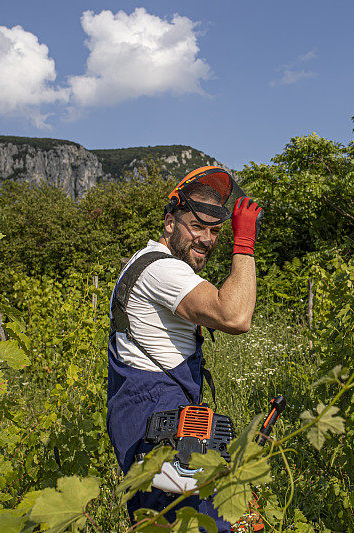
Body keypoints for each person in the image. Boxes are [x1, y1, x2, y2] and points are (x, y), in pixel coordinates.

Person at [106, 166, 262, 531]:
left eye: (216, 231)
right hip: (154, 413)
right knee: (195, 524)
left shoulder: (151, 265)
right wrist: (244, 244)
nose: (207, 239)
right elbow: (236, 316)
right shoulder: (162, 271)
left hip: (160, 413)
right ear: (169, 223)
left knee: (165, 523)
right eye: (197, 226)